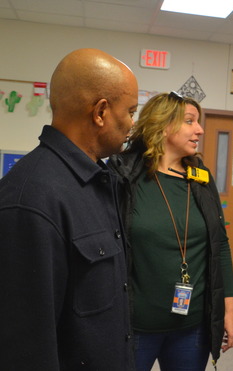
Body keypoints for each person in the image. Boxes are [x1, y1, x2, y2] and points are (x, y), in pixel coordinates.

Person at [0, 49, 138, 370]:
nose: (132, 123)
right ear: (100, 112)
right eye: (130, 111)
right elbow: (25, 348)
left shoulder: (99, 181)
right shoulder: (31, 200)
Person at [107, 92, 233, 371]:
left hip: (192, 327)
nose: (200, 130)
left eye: (198, 122)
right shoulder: (124, 175)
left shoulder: (200, 178)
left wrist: (229, 310)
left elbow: (220, 245)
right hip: (134, 325)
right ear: (162, 125)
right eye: (190, 121)